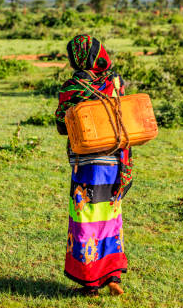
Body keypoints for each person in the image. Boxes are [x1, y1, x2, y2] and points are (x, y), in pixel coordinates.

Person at [55, 34, 133, 296]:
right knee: (111, 218)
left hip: (85, 164)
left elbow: (60, 126)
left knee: (85, 221)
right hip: (113, 163)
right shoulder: (114, 83)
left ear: (75, 58)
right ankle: (113, 276)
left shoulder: (70, 88)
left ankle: (90, 283)